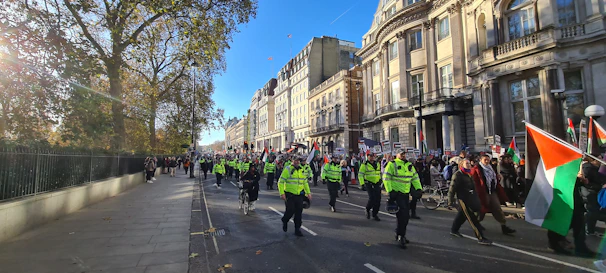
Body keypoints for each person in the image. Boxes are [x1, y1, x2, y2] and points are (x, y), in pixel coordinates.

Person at [383, 149, 423, 249]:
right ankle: (401, 236)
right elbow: (386, 178)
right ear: (396, 155)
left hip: (406, 194)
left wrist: (419, 189)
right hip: (397, 194)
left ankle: (399, 233)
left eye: (404, 154)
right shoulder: (392, 164)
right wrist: (390, 191)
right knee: (403, 216)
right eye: (401, 154)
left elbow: (415, 178)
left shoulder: (409, 165)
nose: (403, 155)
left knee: (404, 217)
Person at [447, 158, 492, 245]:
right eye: (466, 163)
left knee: (462, 216)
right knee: (473, 219)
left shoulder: (469, 174)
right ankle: (481, 238)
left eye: (469, 163)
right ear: (461, 165)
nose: (469, 165)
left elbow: (473, 187)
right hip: (463, 200)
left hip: (471, 198)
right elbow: (452, 189)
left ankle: (454, 230)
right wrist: (450, 201)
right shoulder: (458, 175)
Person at [471, 154, 516, 235]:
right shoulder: (476, 169)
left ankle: (504, 226)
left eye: (488, 160)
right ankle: (476, 223)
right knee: (482, 210)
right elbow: (472, 181)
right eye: (485, 160)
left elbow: (494, 179)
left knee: (497, 208)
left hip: (492, 191)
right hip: (482, 192)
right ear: (481, 160)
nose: (487, 161)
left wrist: (497, 178)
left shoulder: (491, 168)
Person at [279, 157, 312, 237]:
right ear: (292, 161)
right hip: (289, 194)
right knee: (290, 210)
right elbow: (281, 181)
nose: (297, 162)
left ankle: (297, 229)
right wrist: (282, 193)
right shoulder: (288, 169)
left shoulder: (302, 170)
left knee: (298, 212)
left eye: (298, 161)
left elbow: (305, 183)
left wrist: (308, 193)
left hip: (299, 195)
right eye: (295, 160)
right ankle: (285, 220)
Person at [359, 153, 381, 221]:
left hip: (377, 183)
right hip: (369, 183)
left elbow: (378, 173)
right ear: (367, 157)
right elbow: (360, 175)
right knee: (372, 198)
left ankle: (375, 214)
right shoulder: (364, 165)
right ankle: (367, 209)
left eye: (372, 156)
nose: (371, 158)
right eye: (370, 156)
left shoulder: (377, 164)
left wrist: (380, 180)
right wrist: (362, 184)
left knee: (378, 199)